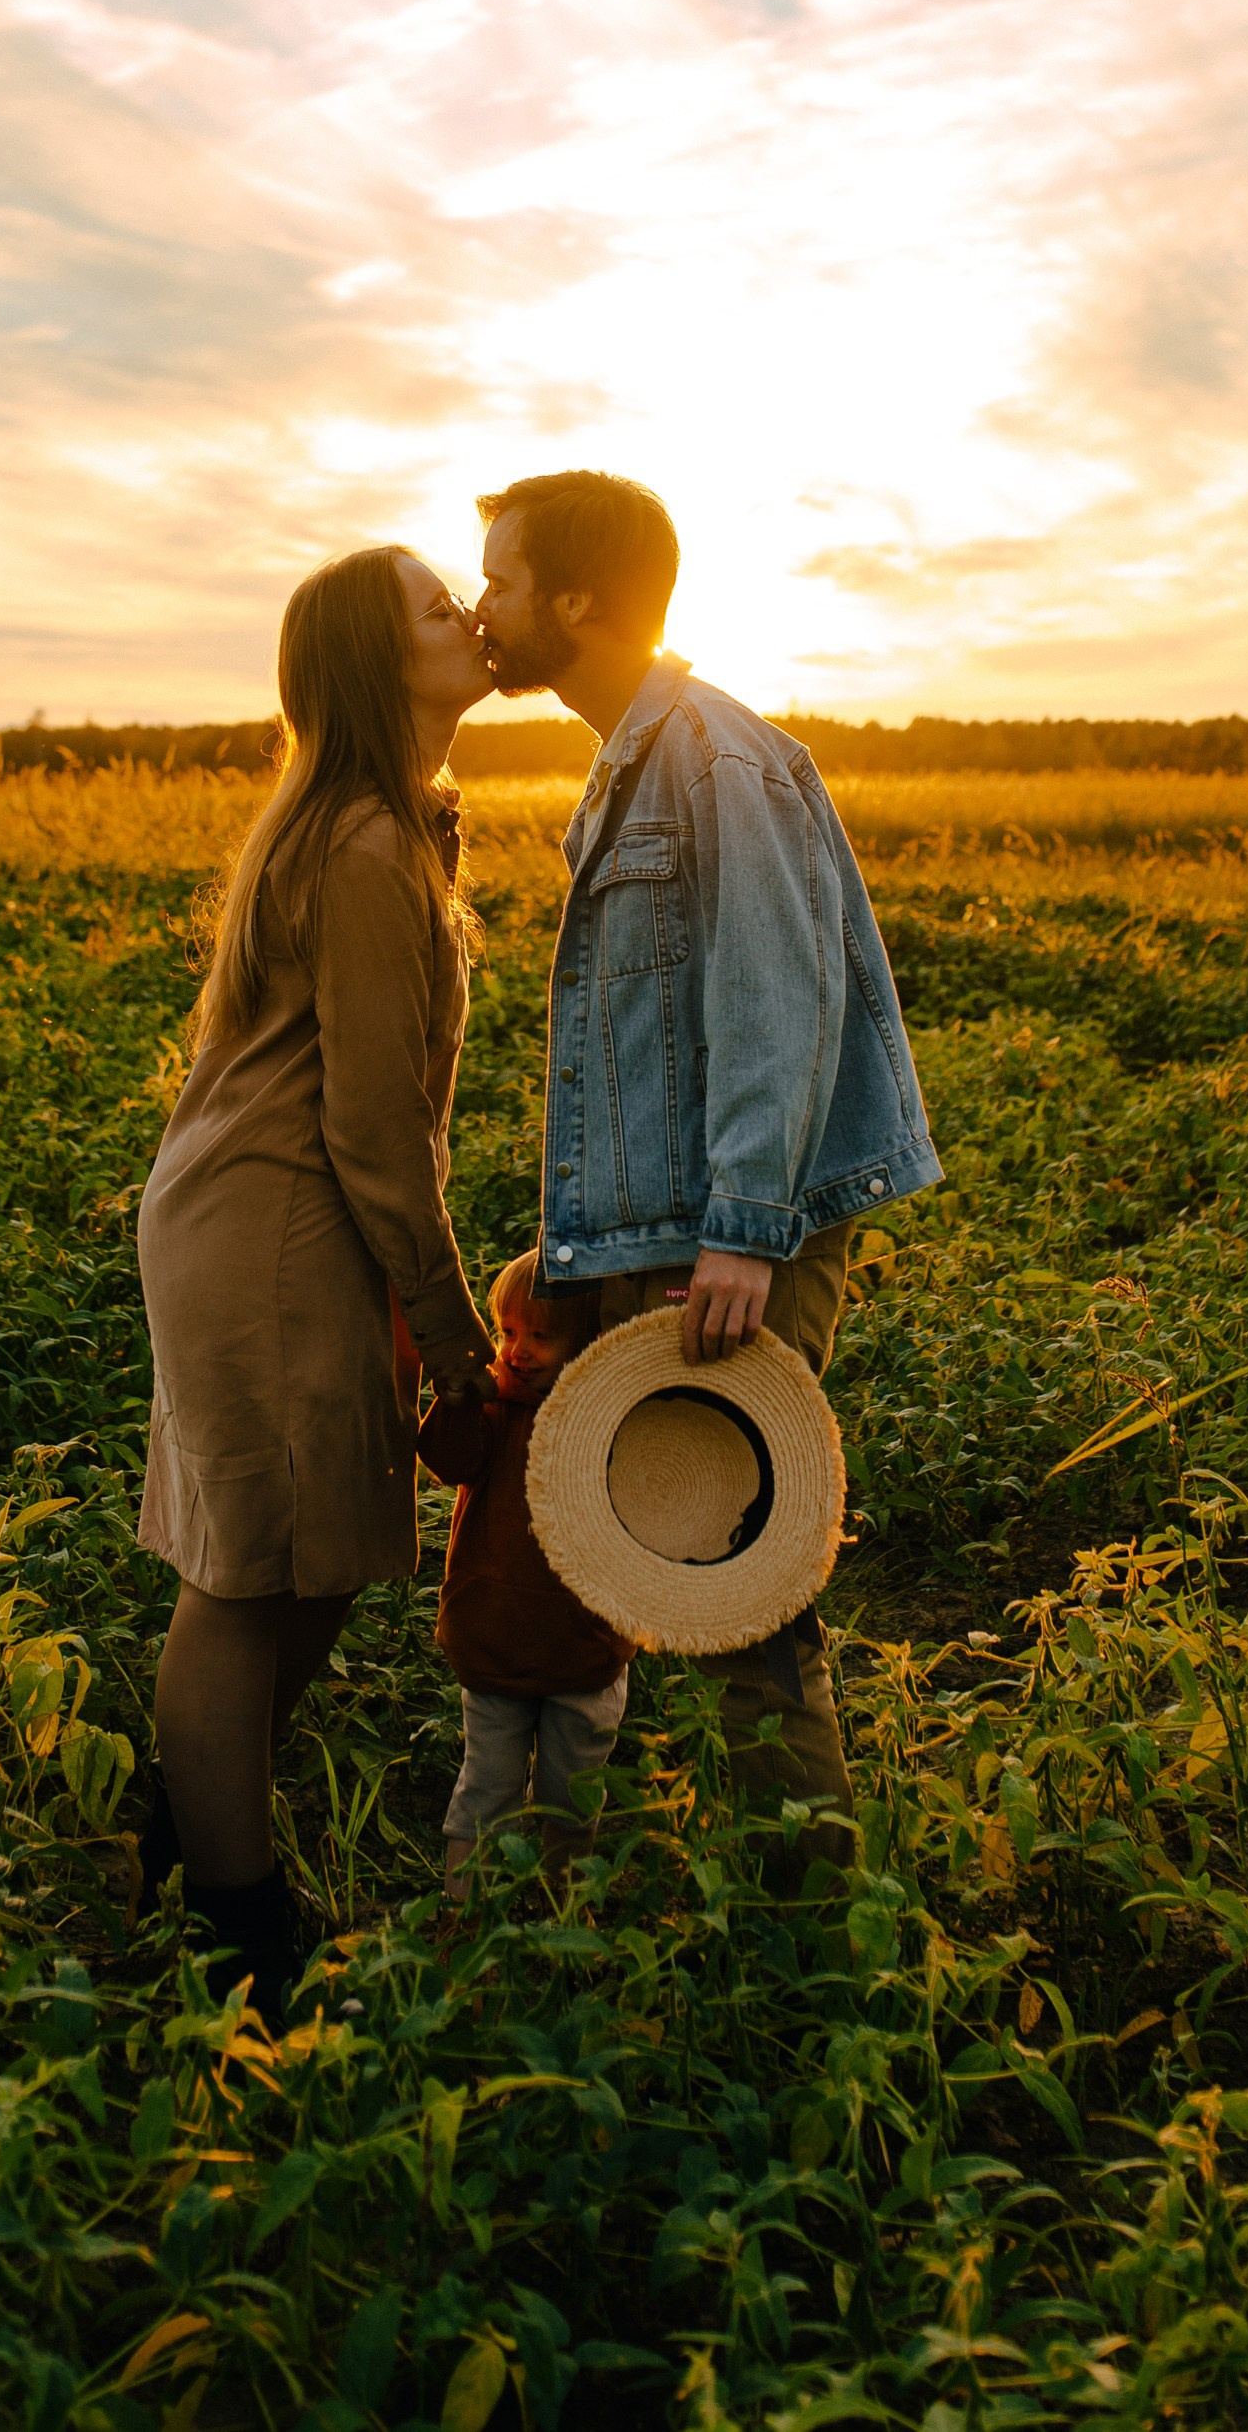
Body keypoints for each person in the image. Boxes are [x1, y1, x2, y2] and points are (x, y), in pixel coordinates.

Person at [471, 469, 941, 1844]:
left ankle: (809, 1910)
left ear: (575, 600)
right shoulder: (635, 756)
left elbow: (773, 992)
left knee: (744, 1579)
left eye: (500, 580)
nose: (480, 606)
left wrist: (743, 1225)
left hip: (735, 1236)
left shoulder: (714, 756)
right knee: (664, 1550)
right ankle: (671, 1866)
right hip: (681, 1224)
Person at [133, 545, 499, 2020]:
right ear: (373, 659)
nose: (468, 616)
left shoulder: (394, 824)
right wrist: (455, 1329)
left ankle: (185, 1820)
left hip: (296, 1218)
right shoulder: (358, 843)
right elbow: (370, 1124)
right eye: (436, 606)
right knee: (248, 1578)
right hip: (274, 1224)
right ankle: (238, 1933)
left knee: (317, 1559)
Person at [418, 1250, 632, 1898]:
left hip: (585, 1648)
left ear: (587, 1342)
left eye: (541, 1335)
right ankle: (464, 1918)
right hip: (494, 1641)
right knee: (486, 1790)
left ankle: (563, 1914)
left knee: (572, 1799)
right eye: (508, 1332)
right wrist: (457, 1401)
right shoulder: (496, 1407)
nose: (518, 1350)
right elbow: (450, 1462)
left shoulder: (607, 1421)